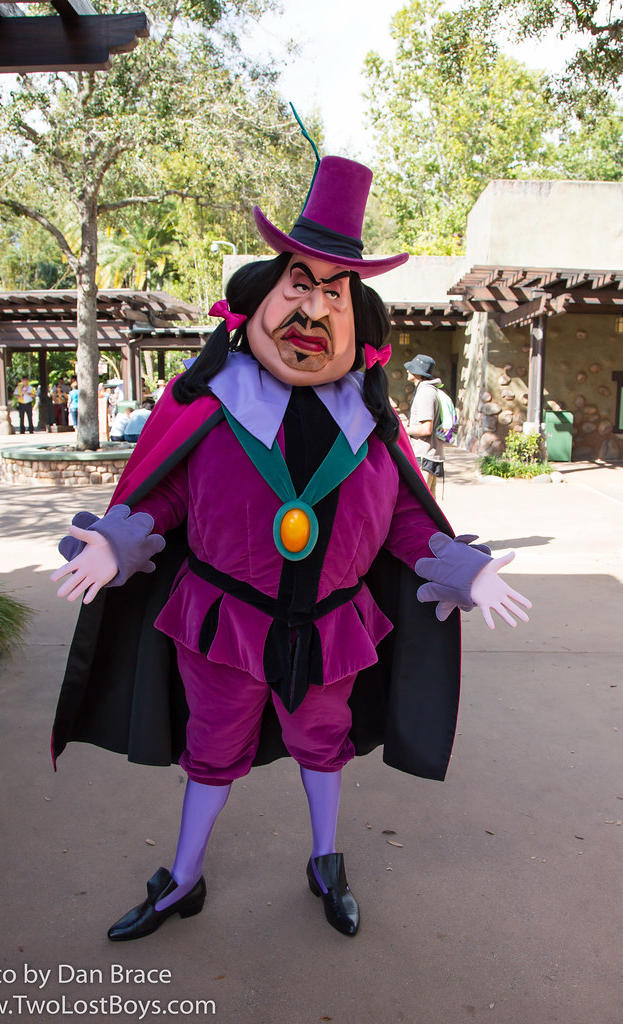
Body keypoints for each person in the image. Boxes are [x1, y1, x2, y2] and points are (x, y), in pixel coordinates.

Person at [51, 155, 530, 943]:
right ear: (256, 300)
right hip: (222, 626)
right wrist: (117, 543)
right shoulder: (215, 409)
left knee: (323, 746)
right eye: (298, 284)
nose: (311, 308)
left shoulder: (368, 429)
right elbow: (165, 498)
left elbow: (403, 523)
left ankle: (324, 860)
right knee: (211, 751)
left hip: (331, 630)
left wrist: (462, 570)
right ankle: (183, 877)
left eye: (334, 294)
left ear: (357, 323)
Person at [404, 354, 445, 497]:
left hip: (424, 456)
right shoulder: (428, 390)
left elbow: (426, 428)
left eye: (411, 368)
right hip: (428, 455)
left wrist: (405, 430)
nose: (407, 371)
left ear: (418, 372)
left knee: (420, 501)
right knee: (428, 503)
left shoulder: (425, 393)